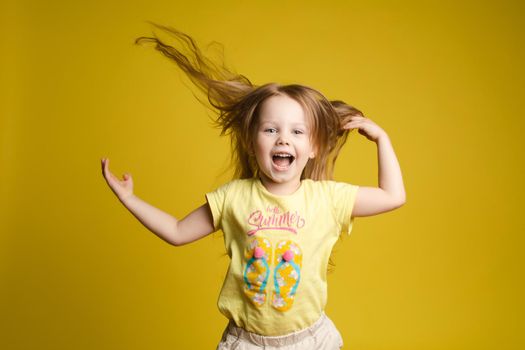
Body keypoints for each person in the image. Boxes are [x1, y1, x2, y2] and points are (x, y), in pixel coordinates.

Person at [101, 23, 406, 350]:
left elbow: (393, 196)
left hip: (310, 340)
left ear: (315, 147)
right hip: (246, 343)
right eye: (271, 130)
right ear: (251, 142)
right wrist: (129, 199)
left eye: (297, 132)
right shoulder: (233, 197)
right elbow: (176, 231)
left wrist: (382, 140)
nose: (283, 138)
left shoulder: (328, 199)